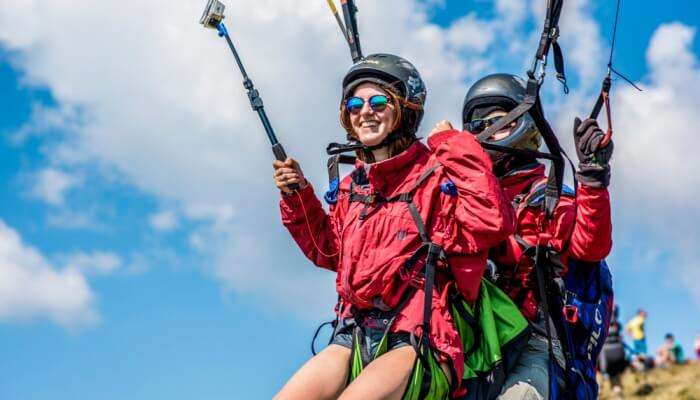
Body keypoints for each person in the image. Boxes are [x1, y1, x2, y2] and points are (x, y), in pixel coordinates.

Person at [272, 54, 515, 400]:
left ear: (405, 108)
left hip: (419, 334)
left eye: (378, 101)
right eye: (355, 103)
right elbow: (329, 251)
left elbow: (493, 221)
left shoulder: (435, 175)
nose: (364, 111)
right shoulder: (352, 187)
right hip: (353, 332)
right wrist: (298, 196)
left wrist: (453, 145)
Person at [454, 73, 614, 400]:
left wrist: (593, 181)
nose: (487, 131)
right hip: (470, 342)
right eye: (477, 125)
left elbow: (590, 245)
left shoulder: (549, 198)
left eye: (500, 121)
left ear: (526, 125)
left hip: (533, 341)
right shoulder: (459, 198)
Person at [599, 311, 628, 400]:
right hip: (618, 351)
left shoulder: (599, 321)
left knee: (597, 376)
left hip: (604, 353)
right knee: (615, 376)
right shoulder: (617, 325)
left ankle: (597, 393)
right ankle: (619, 396)